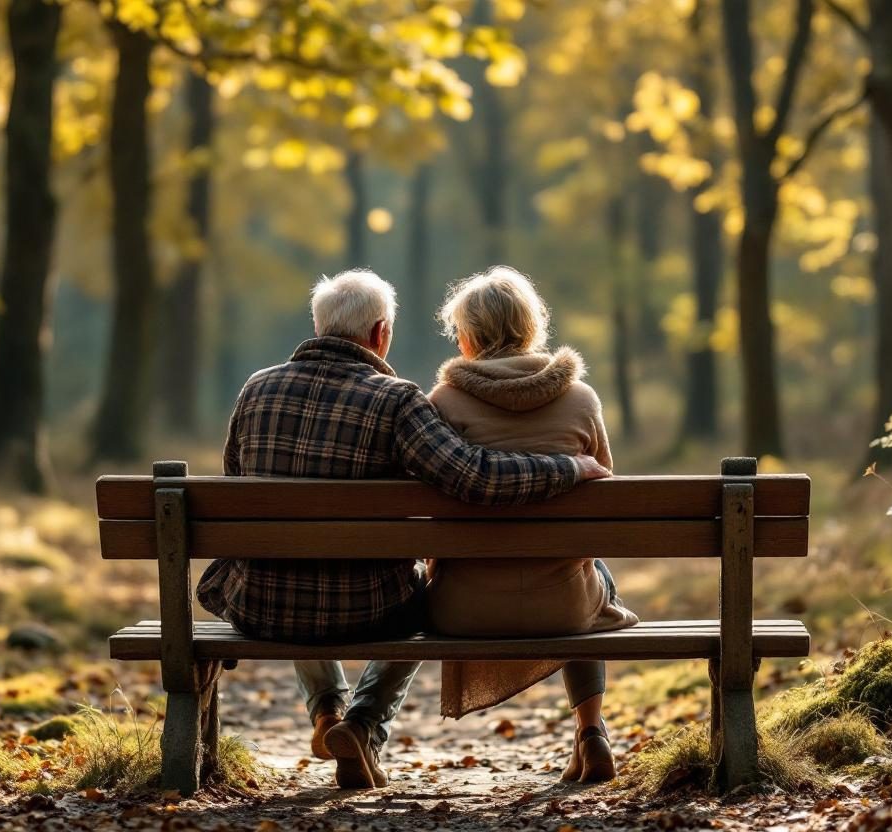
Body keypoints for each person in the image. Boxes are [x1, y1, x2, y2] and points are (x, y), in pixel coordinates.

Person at [197, 269, 612, 790]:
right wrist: (568, 468)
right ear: (380, 334)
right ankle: (364, 723)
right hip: (370, 610)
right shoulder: (397, 400)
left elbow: (236, 484)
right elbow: (473, 477)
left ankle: (328, 708)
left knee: (292, 562)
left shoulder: (255, 390)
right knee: (434, 593)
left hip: (261, 606)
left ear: (318, 325)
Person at [426, 266, 638, 784]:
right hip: (562, 607)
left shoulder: (442, 404)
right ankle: (591, 731)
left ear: (469, 337)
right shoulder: (582, 399)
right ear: (530, 327)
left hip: (463, 608)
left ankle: (364, 724)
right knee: (592, 572)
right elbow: (603, 505)